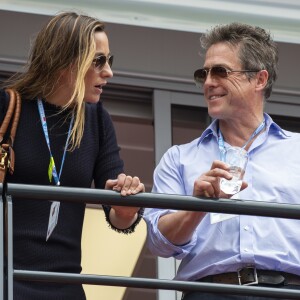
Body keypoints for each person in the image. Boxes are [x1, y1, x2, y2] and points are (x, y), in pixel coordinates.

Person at [144, 22, 300, 299]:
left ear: (259, 80)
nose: (208, 83)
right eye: (203, 73)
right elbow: (159, 244)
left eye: (221, 72)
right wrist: (197, 207)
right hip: (210, 292)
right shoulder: (179, 158)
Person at [0, 11, 145, 300]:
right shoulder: (7, 106)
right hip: (6, 281)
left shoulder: (96, 119)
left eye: (109, 61)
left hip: (65, 286)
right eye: (99, 61)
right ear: (65, 62)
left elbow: (117, 215)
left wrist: (129, 205)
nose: (109, 72)